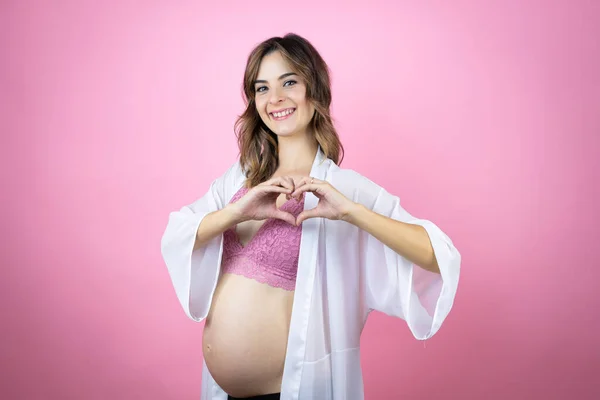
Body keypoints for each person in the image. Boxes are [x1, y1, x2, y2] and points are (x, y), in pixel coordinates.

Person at [160, 33, 461, 400]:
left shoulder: (341, 187)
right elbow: (178, 234)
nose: (275, 99)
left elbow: (436, 255)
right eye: (262, 88)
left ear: (313, 89)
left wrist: (352, 213)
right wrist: (234, 212)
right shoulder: (240, 178)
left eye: (289, 82)